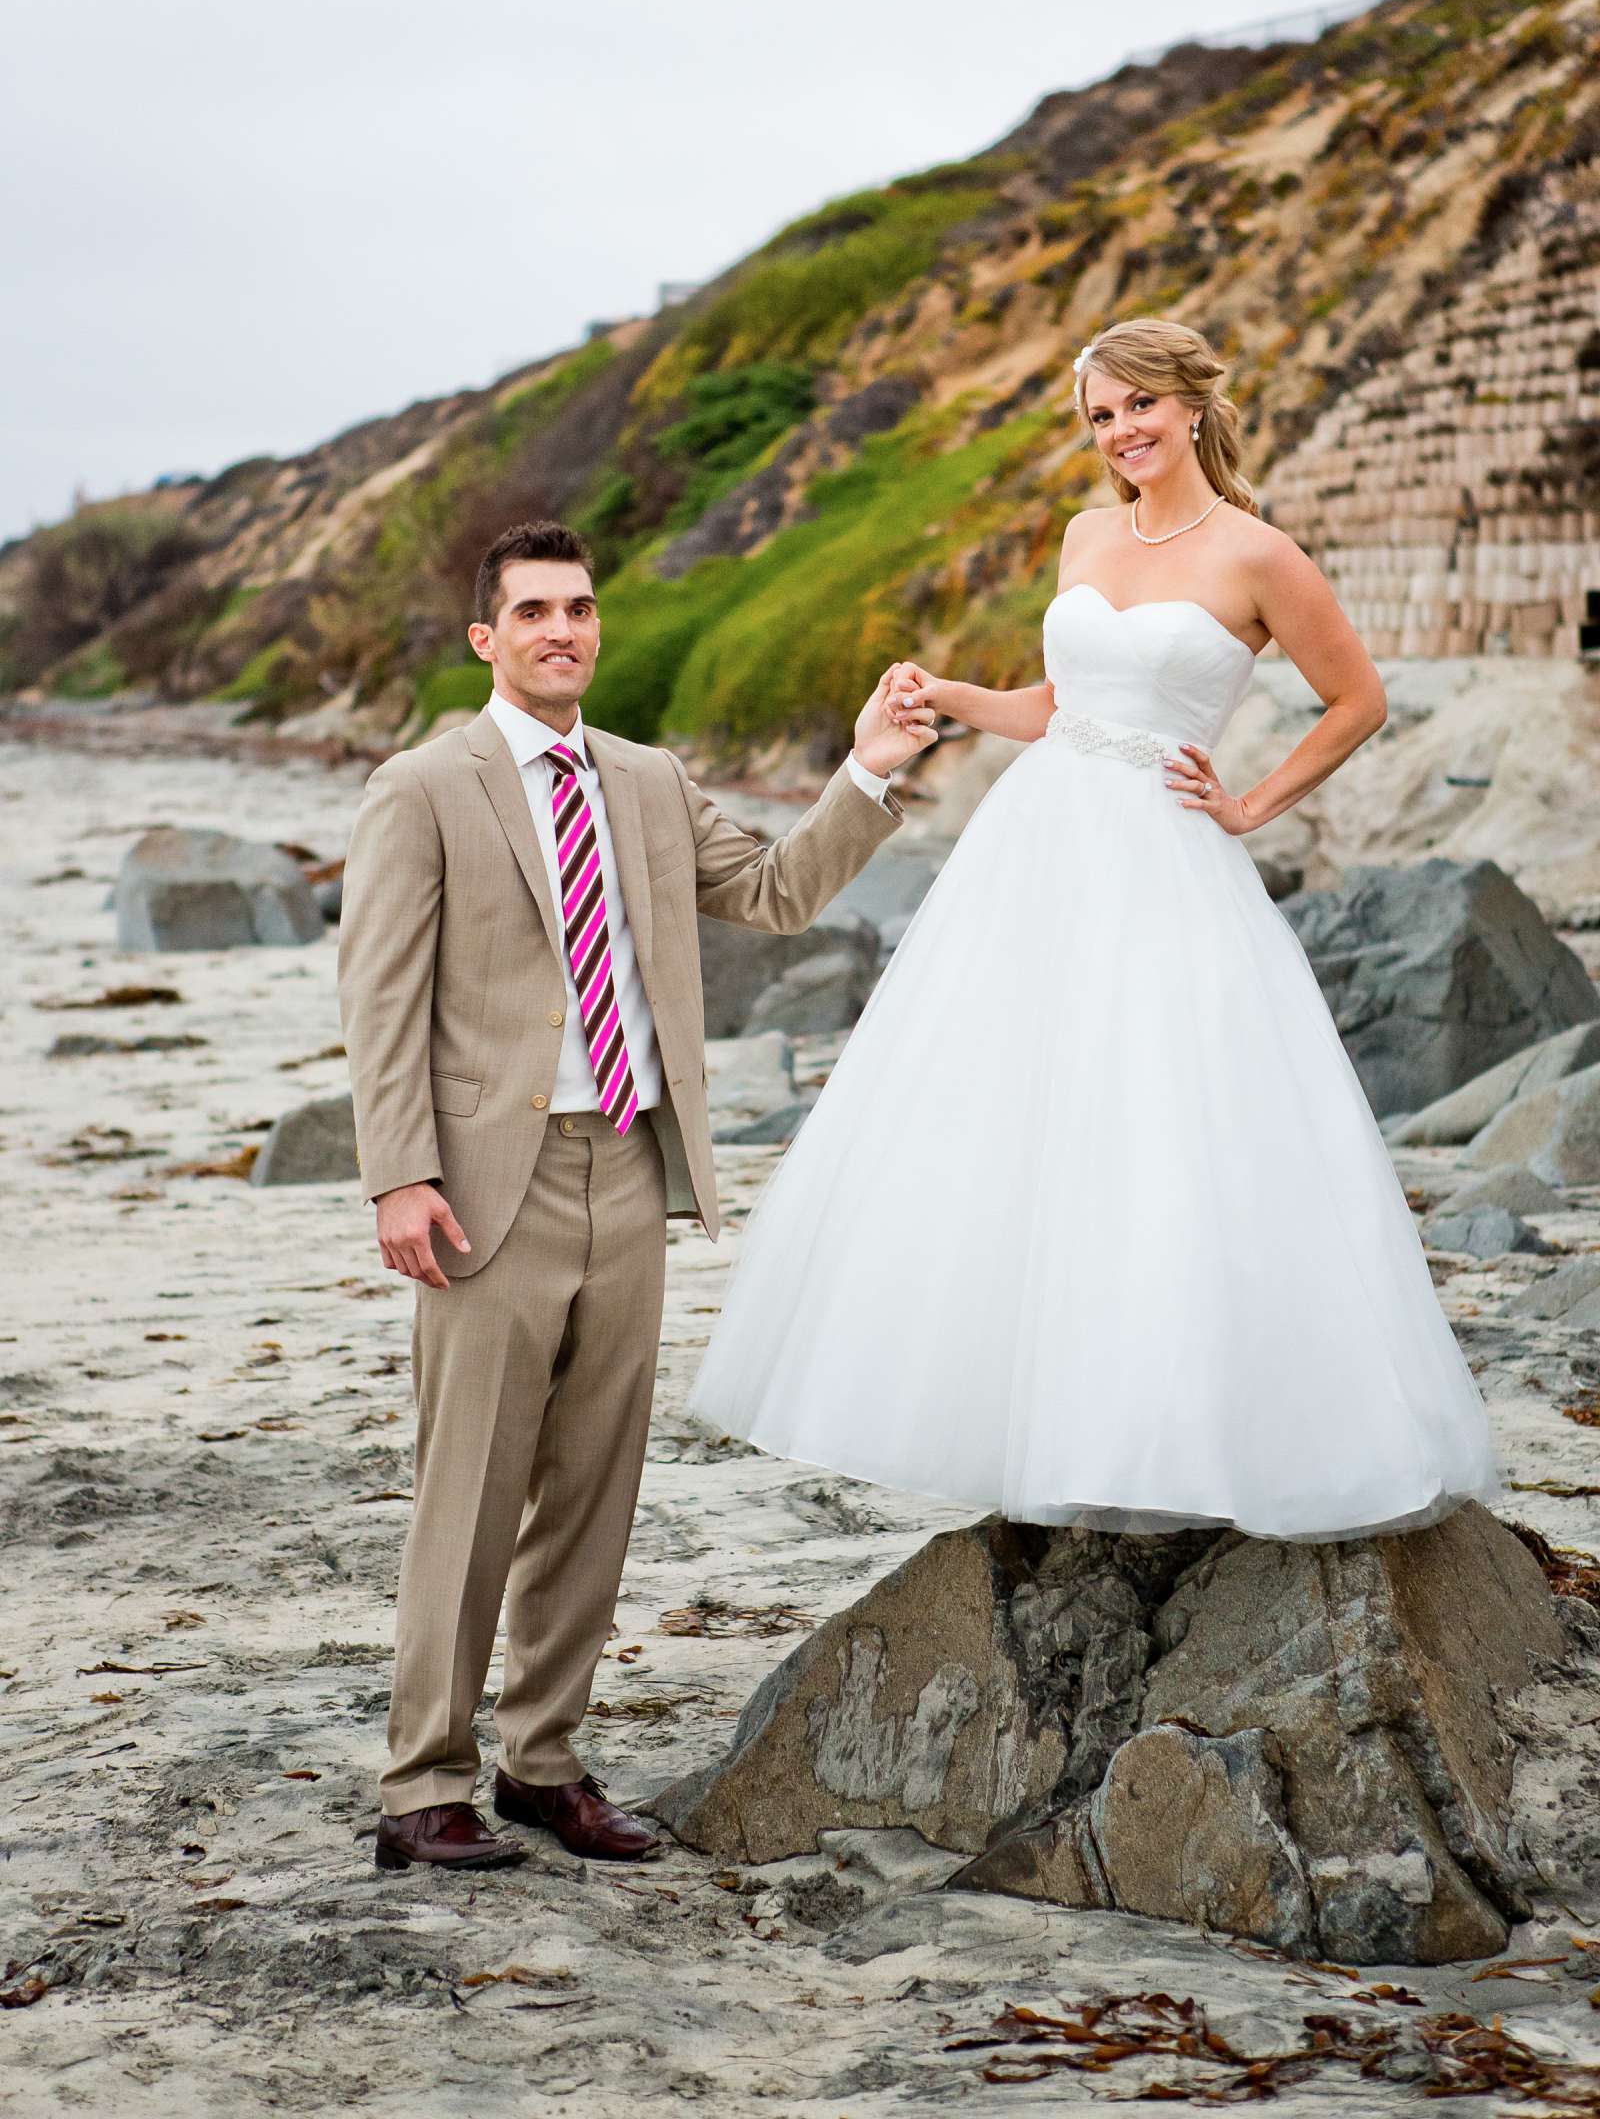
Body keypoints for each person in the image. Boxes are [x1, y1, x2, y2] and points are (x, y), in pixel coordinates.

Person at [690, 318, 1503, 1542]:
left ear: (1188, 406)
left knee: (1162, 1119)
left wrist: (1249, 805)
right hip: (1036, 843)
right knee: (1019, 1115)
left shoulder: (1257, 554)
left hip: (1165, 858)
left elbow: (1358, 699)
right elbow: (1064, 704)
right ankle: (1040, 1419)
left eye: (1137, 408)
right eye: (1099, 417)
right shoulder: (1083, 534)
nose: (1119, 433)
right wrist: (951, 699)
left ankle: (1174, 1432)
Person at [337, 517, 936, 1872]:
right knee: (470, 1493)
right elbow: (378, 998)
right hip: (491, 1183)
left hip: (632, 1163)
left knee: (595, 1491)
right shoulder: (424, 786)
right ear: (489, 639)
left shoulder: (651, 782)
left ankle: (541, 1766)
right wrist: (400, 1175)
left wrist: (869, 772)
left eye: (582, 609)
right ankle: (419, 1783)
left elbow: (779, 894)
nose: (564, 630)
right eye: (535, 611)